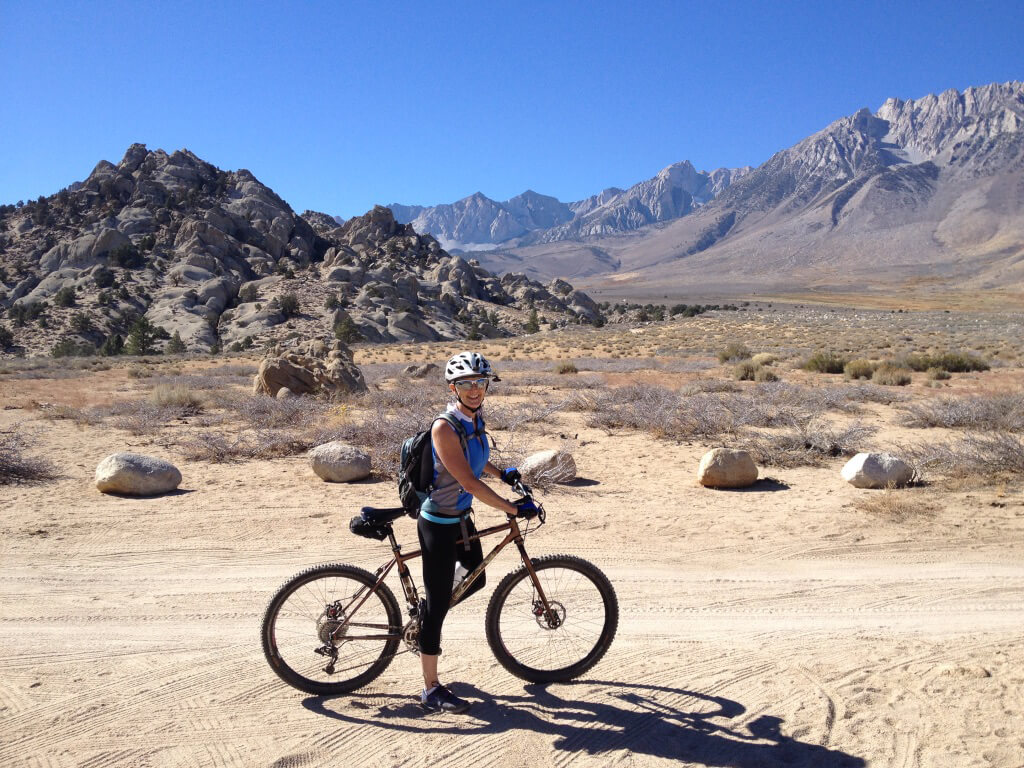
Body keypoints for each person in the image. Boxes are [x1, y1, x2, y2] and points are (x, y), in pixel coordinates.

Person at [417, 351, 538, 714]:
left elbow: (476, 460)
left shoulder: (473, 419)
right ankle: (430, 688)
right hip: (438, 523)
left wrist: (504, 474)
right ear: (453, 387)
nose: (474, 390)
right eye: (466, 384)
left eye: (480, 383)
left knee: (476, 578)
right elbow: (466, 479)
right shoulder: (444, 425)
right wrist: (513, 508)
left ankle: (428, 611)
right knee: (437, 606)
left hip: (461, 519)